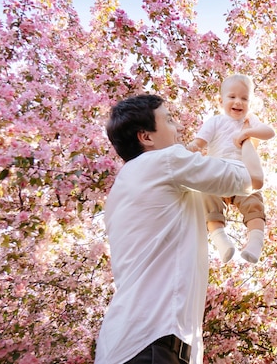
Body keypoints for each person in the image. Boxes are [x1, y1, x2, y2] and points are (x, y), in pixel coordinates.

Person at [95, 94, 264, 364]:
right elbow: (252, 179)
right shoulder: (167, 162)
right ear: (146, 137)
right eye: (169, 120)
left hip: (123, 343)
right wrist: (247, 139)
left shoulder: (122, 188)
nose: (178, 129)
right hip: (153, 341)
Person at [186, 74, 275, 264]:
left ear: (251, 103)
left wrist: (248, 132)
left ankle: (255, 243)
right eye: (232, 97)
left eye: (244, 98)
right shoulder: (216, 121)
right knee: (208, 199)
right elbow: (200, 142)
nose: (238, 102)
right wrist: (190, 148)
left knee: (253, 202)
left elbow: (270, 132)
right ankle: (222, 242)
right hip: (218, 172)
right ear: (221, 100)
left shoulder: (250, 121)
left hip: (242, 173)